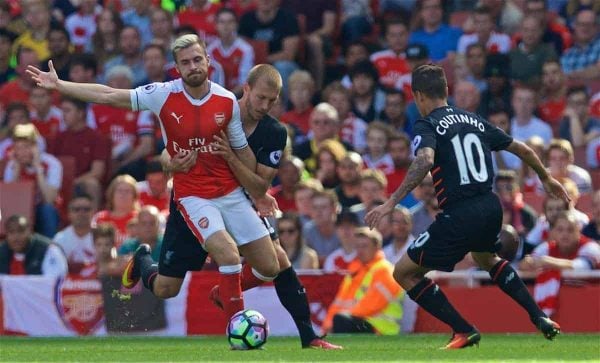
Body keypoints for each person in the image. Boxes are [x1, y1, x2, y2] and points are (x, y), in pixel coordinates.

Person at [27, 34, 281, 322]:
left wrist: (239, 164)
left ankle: (144, 262)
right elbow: (110, 95)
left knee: (267, 266)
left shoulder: (226, 101)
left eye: (198, 59)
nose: (193, 66)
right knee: (229, 255)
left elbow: (243, 153)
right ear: (177, 68)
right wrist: (61, 85)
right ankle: (238, 330)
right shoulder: (162, 94)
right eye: (185, 62)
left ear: (208, 61)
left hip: (229, 193)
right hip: (193, 195)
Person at [126, 64, 339, 349]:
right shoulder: (218, 111)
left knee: (276, 263)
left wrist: (232, 159)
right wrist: (169, 161)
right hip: (194, 203)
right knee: (166, 288)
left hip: (239, 203)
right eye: (260, 98)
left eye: (272, 101)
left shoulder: (274, 132)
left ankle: (309, 337)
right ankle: (143, 261)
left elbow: (258, 186)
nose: (265, 106)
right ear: (246, 89)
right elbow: (170, 148)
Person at [365, 64, 569, 349]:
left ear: (418, 96)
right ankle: (539, 317)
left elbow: (424, 160)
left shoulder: (428, 124)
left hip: (460, 212)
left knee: (403, 272)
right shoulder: (473, 119)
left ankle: (463, 329)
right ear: (447, 90)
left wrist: (391, 202)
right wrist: (546, 178)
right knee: (488, 259)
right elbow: (522, 149)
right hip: (490, 206)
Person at [322, 227, 404, 335]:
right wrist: (327, 325)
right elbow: (338, 303)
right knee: (339, 320)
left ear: (377, 247)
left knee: (340, 320)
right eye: (357, 246)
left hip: (382, 329)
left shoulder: (384, 270)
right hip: (360, 322)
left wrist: (340, 319)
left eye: (364, 246)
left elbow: (371, 306)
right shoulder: (354, 272)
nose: (360, 251)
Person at [520, 211, 600, 317]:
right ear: (553, 232)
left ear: (578, 231)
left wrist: (546, 261)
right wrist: (528, 262)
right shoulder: (547, 247)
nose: (565, 234)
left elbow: (579, 267)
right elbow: (524, 265)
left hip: (591, 306)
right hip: (562, 308)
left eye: (570, 230)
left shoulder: (591, 247)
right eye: (560, 230)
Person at [3, 123, 62, 238]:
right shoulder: (12, 165)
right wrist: (16, 171)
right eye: (18, 148)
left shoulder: (52, 164)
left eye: (26, 147)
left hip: (43, 210)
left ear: (36, 147)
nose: (22, 152)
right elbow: (9, 203)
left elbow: (49, 199)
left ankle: (49, 251)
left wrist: (38, 169)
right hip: (21, 211)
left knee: (47, 210)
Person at [0, 214, 68, 277]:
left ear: (30, 231)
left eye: (21, 231)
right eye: (11, 232)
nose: (16, 237)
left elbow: (55, 282)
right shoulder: (2, 251)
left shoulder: (49, 250)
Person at [53, 193, 97, 277]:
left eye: (86, 209)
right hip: (68, 286)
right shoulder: (59, 239)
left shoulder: (101, 236)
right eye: (77, 209)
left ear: (93, 212)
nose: (81, 213)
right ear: (69, 214)